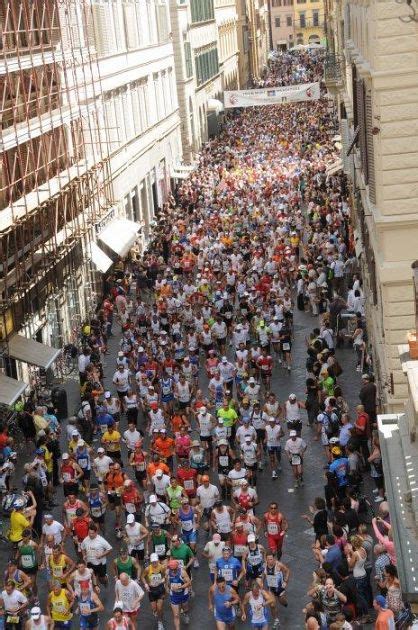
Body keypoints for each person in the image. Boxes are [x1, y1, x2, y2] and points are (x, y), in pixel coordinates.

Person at [142, 553, 166, 630]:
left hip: (160, 589)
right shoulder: (147, 569)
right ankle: (157, 612)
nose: (154, 563)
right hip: (151, 590)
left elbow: (165, 576)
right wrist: (145, 584)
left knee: (159, 608)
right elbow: (142, 577)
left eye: (155, 561)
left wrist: (163, 580)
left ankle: (160, 622)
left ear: (158, 560)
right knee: (154, 609)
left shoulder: (162, 567)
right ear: (150, 562)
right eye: (153, 562)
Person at [165, 559, 192, 629]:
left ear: (177, 567)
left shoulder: (182, 572)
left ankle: (186, 614)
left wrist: (180, 587)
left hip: (183, 594)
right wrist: (167, 587)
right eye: (170, 568)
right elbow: (166, 581)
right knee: (176, 615)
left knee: (185, 608)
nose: (172, 570)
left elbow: (189, 582)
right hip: (174, 595)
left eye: (173, 569)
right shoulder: (167, 572)